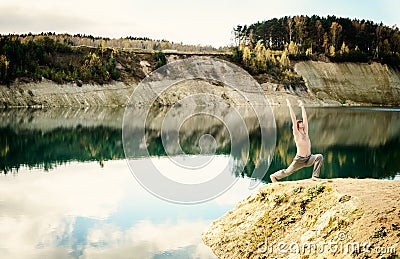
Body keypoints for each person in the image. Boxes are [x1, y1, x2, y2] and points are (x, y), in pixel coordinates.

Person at [270, 99, 323, 182]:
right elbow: (293, 119)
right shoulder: (297, 134)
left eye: (302, 123)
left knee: (319, 157)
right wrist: (289, 106)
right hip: (299, 160)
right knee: (287, 172)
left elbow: (305, 118)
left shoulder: (306, 132)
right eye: (300, 123)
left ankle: (315, 176)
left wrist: (302, 106)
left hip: (309, 158)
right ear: (297, 126)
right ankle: (273, 176)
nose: (302, 123)